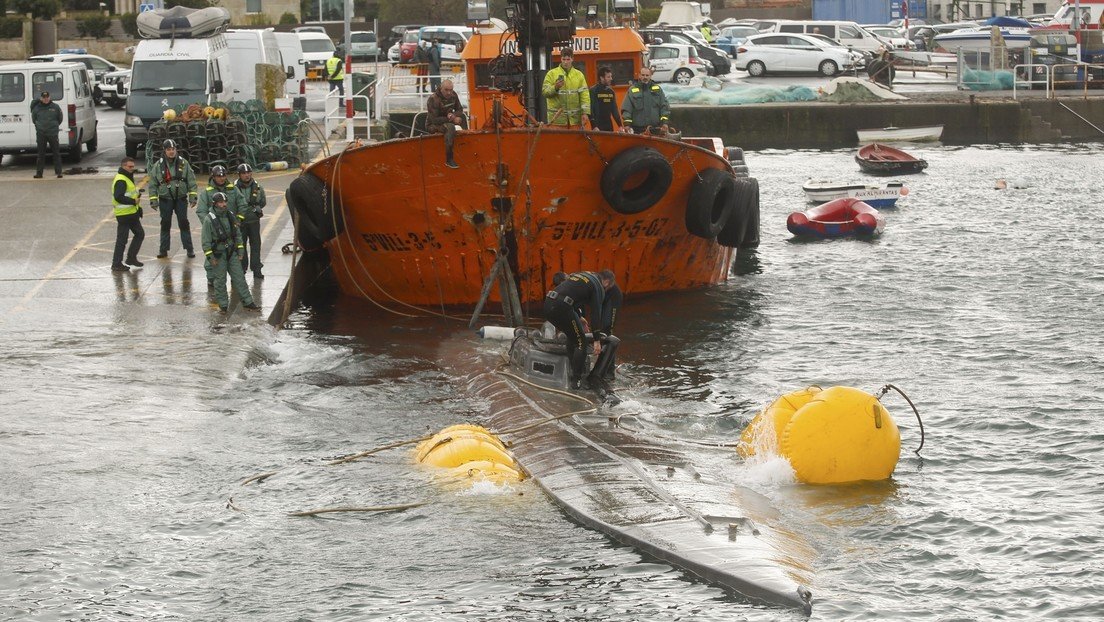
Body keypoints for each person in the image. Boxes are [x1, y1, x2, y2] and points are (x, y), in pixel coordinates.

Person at [543, 269, 621, 389]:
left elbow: (570, 295)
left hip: (548, 304)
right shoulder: (598, 287)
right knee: (581, 343)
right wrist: (596, 340)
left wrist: (580, 318)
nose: (605, 291)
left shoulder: (582, 276)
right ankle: (577, 381)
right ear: (606, 282)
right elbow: (596, 314)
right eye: (607, 288)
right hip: (562, 308)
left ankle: (572, 371)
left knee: (573, 337)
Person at [201, 192, 260, 313]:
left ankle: (248, 302)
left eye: (225, 202)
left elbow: (237, 234)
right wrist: (210, 257)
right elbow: (206, 241)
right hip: (218, 254)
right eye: (221, 202)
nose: (224, 205)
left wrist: (241, 250)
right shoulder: (209, 220)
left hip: (231, 253)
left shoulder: (231, 215)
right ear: (215, 204)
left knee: (239, 278)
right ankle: (223, 305)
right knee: (220, 281)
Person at [148, 139, 198, 259]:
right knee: (165, 224)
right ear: (164, 151)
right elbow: (153, 184)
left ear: (176, 150)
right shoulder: (158, 166)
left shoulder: (184, 163)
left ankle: (189, 249)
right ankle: (163, 250)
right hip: (165, 200)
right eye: (168, 150)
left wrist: (193, 197)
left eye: (173, 149)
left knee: (184, 223)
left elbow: (191, 180)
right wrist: (153, 200)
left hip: (180, 199)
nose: (171, 152)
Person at [195, 164, 244, 287]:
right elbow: (201, 211)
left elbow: (242, 204)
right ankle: (211, 278)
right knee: (212, 254)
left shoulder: (233, 189)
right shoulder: (207, 193)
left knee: (236, 251)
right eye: (219, 176)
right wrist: (209, 225)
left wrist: (238, 219)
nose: (222, 178)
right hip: (214, 231)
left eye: (223, 176)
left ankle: (236, 276)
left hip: (231, 228)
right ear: (213, 177)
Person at [541, 47, 590, 128]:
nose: (565, 62)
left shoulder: (579, 75)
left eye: (568, 59)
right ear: (561, 59)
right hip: (556, 121)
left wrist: (585, 113)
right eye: (563, 59)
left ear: (572, 59)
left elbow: (584, 95)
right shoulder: (551, 74)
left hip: (575, 121)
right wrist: (555, 87)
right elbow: (545, 92)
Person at [110, 156, 144, 272]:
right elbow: (118, 197)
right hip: (124, 214)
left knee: (140, 234)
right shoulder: (121, 180)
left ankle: (131, 258)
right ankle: (116, 264)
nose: (132, 169)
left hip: (131, 213)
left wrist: (138, 208)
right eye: (130, 167)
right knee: (122, 240)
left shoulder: (126, 177)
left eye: (133, 167)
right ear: (123, 166)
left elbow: (131, 194)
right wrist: (133, 202)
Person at [426, 78, 467, 169]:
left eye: (451, 90)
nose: (449, 92)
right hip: (433, 124)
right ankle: (449, 159)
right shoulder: (433, 99)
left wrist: (454, 115)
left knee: (461, 120)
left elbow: (459, 109)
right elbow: (434, 120)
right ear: (441, 88)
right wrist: (452, 119)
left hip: (447, 119)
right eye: (446, 90)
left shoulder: (453, 95)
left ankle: (464, 148)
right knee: (450, 127)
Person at [235, 163, 266, 279]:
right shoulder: (233, 188)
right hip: (240, 222)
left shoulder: (258, 187)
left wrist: (255, 209)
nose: (247, 175)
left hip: (253, 221)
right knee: (240, 246)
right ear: (239, 175)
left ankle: (256, 269)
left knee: (256, 245)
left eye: (248, 173)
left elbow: (263, 201)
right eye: (244, 173)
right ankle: (242, 270)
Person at [621, 66, 671, 135]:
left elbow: (664, 107)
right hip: (637, 130)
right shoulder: (632, 90)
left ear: (650, 76)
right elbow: (627, 109)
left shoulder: (657, 89)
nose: (645, 77)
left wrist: (665, 123)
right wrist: (627, 124)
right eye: (643, 75)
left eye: (647, 75)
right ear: (639, 76)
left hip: (655, 129)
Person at [30, 91, 63, 179]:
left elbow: (60, 118)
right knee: (41, 154)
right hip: (41, 134)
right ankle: (39, 173)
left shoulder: (55, 107)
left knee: (56, 153)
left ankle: (59, 172)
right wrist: (39, 127)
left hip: (52, 133)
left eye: (47, 97)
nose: (46, 99)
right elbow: (34, 119)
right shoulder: (36, 108)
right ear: (41, 98)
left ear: (49, 97)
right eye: (44, 97)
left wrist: (54, 127)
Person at [589, 66, 624, 132]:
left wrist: (620, 126)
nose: (611, 78)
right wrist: (594, 126)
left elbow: (614, 110)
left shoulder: (611, 91)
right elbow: (591, 109)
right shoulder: (593, 90)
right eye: (608, 77)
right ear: (601, 78)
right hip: (597, 127)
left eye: (611, 76)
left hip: (608, 125)